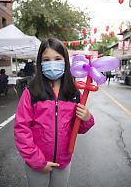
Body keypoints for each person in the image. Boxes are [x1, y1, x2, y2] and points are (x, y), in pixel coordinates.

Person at [14, 38, 94, 187]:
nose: (52, 63)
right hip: (37, 162)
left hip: (63, 161)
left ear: (65, 62)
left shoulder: (73, 93)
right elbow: (21, 129)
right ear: (40, 63)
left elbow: (78, 128)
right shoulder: (31, 92)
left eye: (57, 58)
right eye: (46, 59)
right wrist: (38, 161)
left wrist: (86, 118)